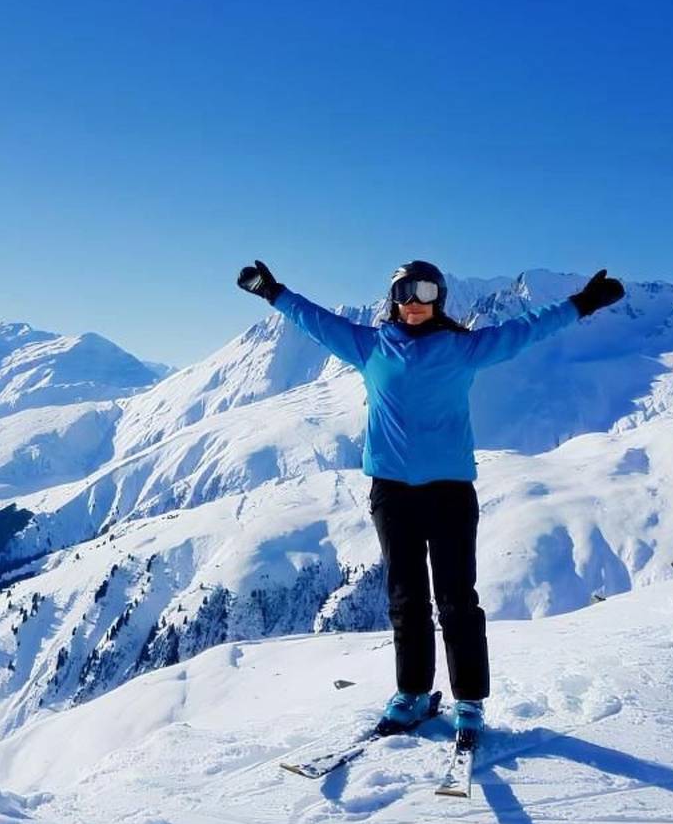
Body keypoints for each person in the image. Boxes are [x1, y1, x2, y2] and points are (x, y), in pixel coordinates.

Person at [236, 257, 624, 748]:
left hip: (449, 492)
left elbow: (527, 329)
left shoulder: (463, 348)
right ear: (393, 300)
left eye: (426, 292)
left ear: (439, 299)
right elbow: (316, 321)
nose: (415, 302)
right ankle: (412, 692)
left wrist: (582, 303)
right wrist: (274, 292)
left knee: (458, 600)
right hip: (391, 493)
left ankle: (469, 701)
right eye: (405, 292)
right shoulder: (369, 346)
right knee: (406, 599)